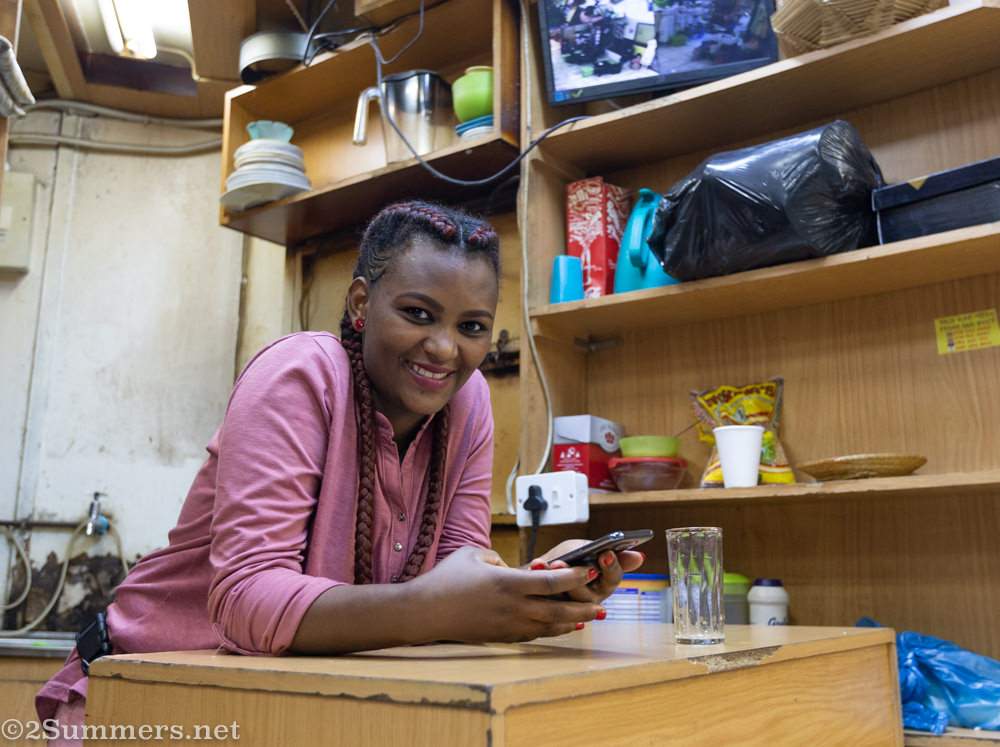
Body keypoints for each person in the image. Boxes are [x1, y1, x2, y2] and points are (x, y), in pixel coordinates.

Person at [36, 200, 644, 736]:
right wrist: (435, 606)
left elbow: (455, 570)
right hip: (143, 696)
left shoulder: (470, 401)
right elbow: (247, 601)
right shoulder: (298, 375)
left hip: (287, 707)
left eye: (472, 327)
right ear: (361, 302)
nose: (444, 348)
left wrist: (531, 592)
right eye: (418, 313)